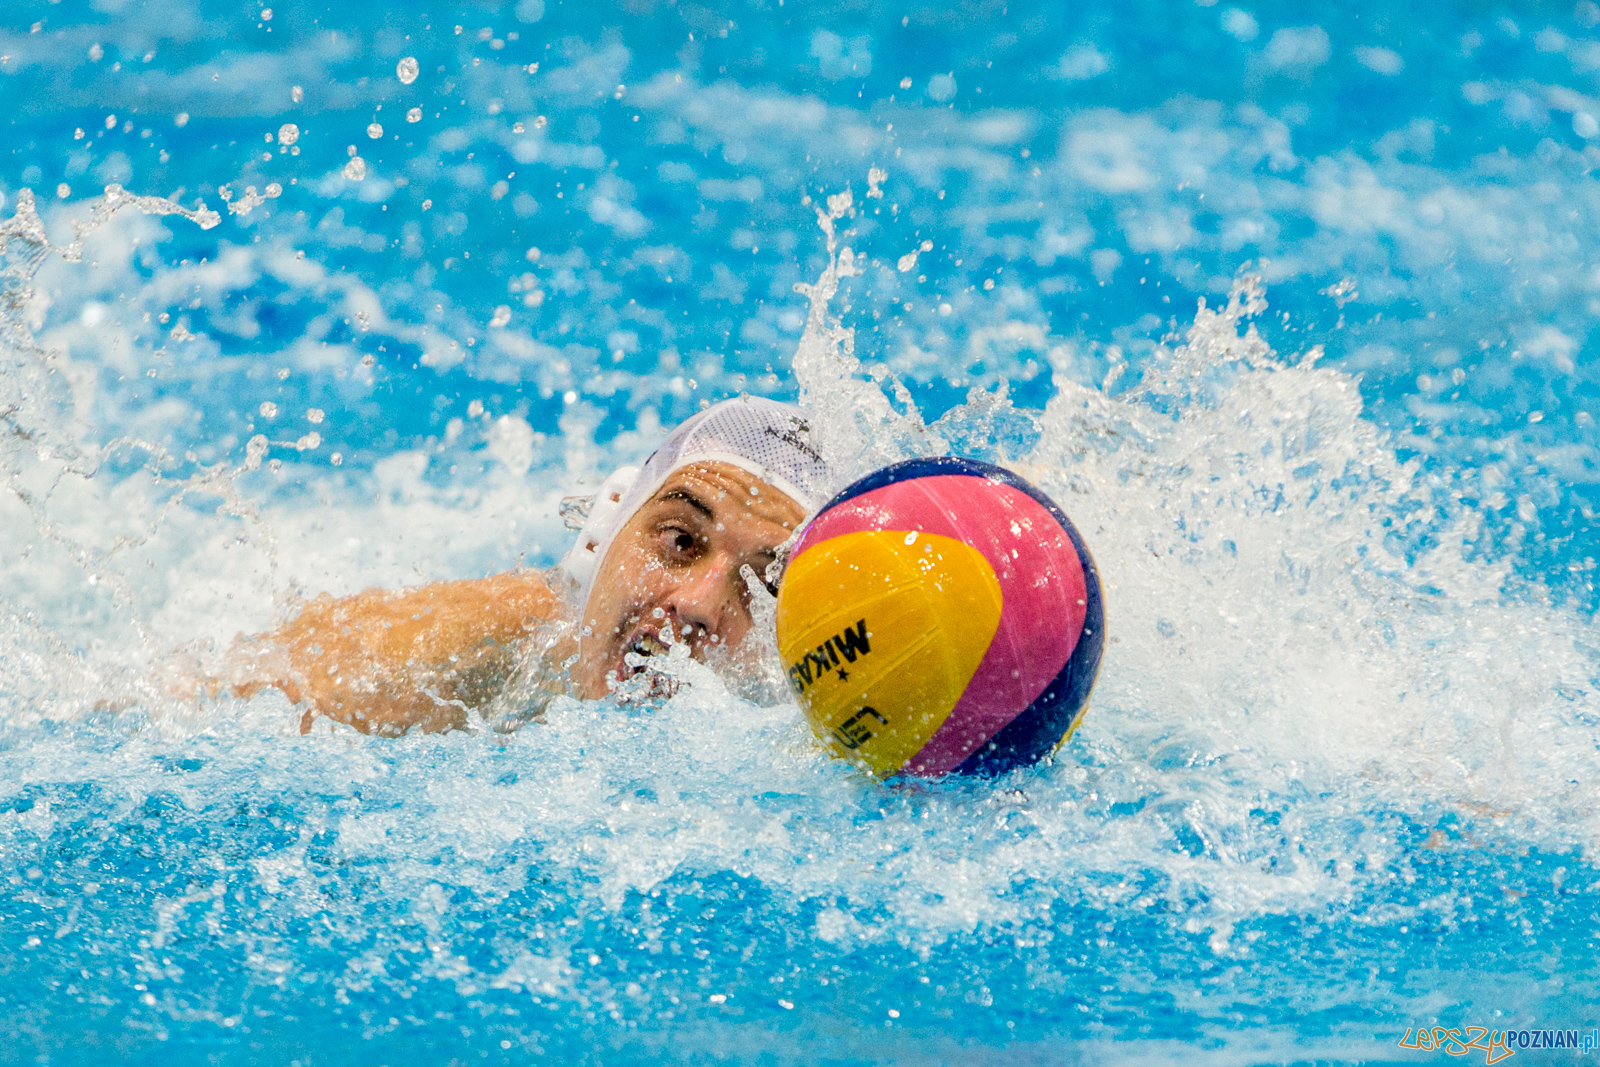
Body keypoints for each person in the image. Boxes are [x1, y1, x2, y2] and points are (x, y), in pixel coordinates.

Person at [224, 396, 833, 734]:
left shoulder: (807, 730)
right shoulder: (461, 652)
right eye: (680, 541)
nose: (700, 604)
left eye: (762, 582)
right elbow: (197, 707)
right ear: (602, 536)